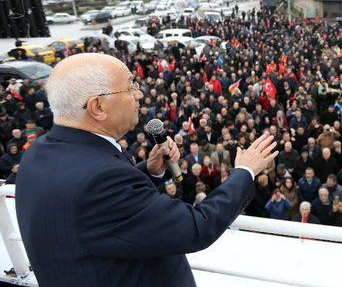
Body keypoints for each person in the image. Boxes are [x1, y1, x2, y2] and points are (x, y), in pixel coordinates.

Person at [15, 53, 279, 287]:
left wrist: (148, 171)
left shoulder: (39, 153)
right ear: (97, 107)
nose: (139, 94)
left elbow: (99, 207)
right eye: (130, 87)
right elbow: (197, 227)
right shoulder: (101, 180)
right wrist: (245, 170)